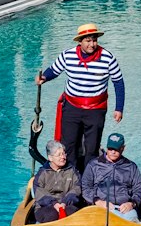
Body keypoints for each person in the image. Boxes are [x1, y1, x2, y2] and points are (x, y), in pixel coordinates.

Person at [35, 22, 125, 172]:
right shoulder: (67, 55)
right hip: (72, 108)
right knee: (69, 145)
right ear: (80, 41)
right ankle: (71, 179)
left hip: (96, 110)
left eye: (94, 40)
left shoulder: (108, 58)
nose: (92, 44)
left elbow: (119, 83)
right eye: (88, 41)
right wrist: (44, 77)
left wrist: (119, 108)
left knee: (92, 147)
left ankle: (88, 181)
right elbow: (54, 70)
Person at [81, 132, 141, 223]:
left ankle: (139, 224)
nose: (113, 152)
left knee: (131, 221)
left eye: (116, 149)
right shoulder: (93, 165)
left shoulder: (131, 166)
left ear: (123, 148)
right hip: (101, 207)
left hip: (125, 208)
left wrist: (131, 203)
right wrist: (97, 201)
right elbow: (85, 187)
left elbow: (139, 188)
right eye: (110, 148)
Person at [32, 139, 82, 223]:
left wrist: (64, 202)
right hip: (46, 206)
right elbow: (38, 191)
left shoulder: (72, 171)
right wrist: (54, 203)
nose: (63, 157)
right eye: (59, 155)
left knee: (72, 213)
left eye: (63, 154)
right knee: (51, 215)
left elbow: (77, 187)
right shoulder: (43, 173)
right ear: (50, 158)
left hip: (67, 203)